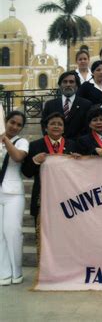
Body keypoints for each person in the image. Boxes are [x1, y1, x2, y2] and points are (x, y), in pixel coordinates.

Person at [22, 113, 77, 226]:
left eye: (60, 124)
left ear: (63, 129)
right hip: (42, 196)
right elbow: (26, 172)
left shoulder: (73, 145)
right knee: (42, 231)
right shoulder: (34, 145)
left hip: (66, 195)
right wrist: (35, 161)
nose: (56, 126)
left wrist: (79, 161)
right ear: (46, 128)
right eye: (52, 124)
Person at [0, 111, 29, 286]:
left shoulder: (21, 142)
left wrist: (5, 139)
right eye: (12, 122)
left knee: (12, 231)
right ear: (5, 121)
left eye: (19, 125)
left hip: (13, 194)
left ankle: (16, 271)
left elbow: (17, 157)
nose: (15, 127)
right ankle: (4, 272)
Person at [42, 71, 92, 140]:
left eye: (71, 82)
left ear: (77, 86)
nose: (68, 85)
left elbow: (87, 127)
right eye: (65, 82)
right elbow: (44, 125)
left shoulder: (86, 105)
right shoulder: (49, 105)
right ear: (60, 85)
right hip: (55, 146)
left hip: (78, 146)